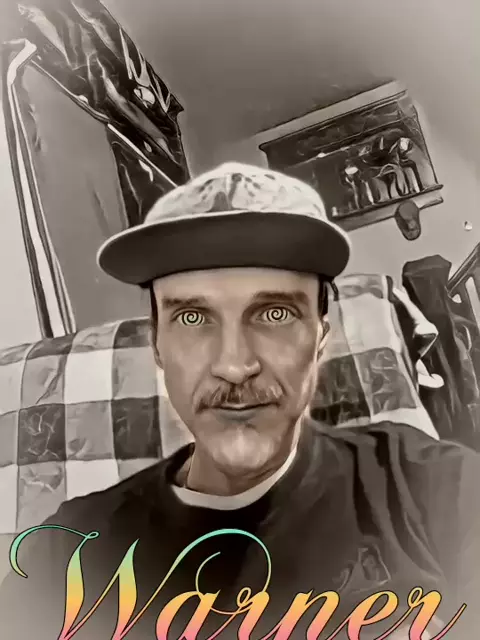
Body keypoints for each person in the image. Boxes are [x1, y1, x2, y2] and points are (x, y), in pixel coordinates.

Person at [0, 163, 478, 640]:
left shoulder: (432, 487)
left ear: (319, 340)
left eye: (275, 313)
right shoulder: (64, 556)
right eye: (192, 317)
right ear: (158, 347)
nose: (234, 365)